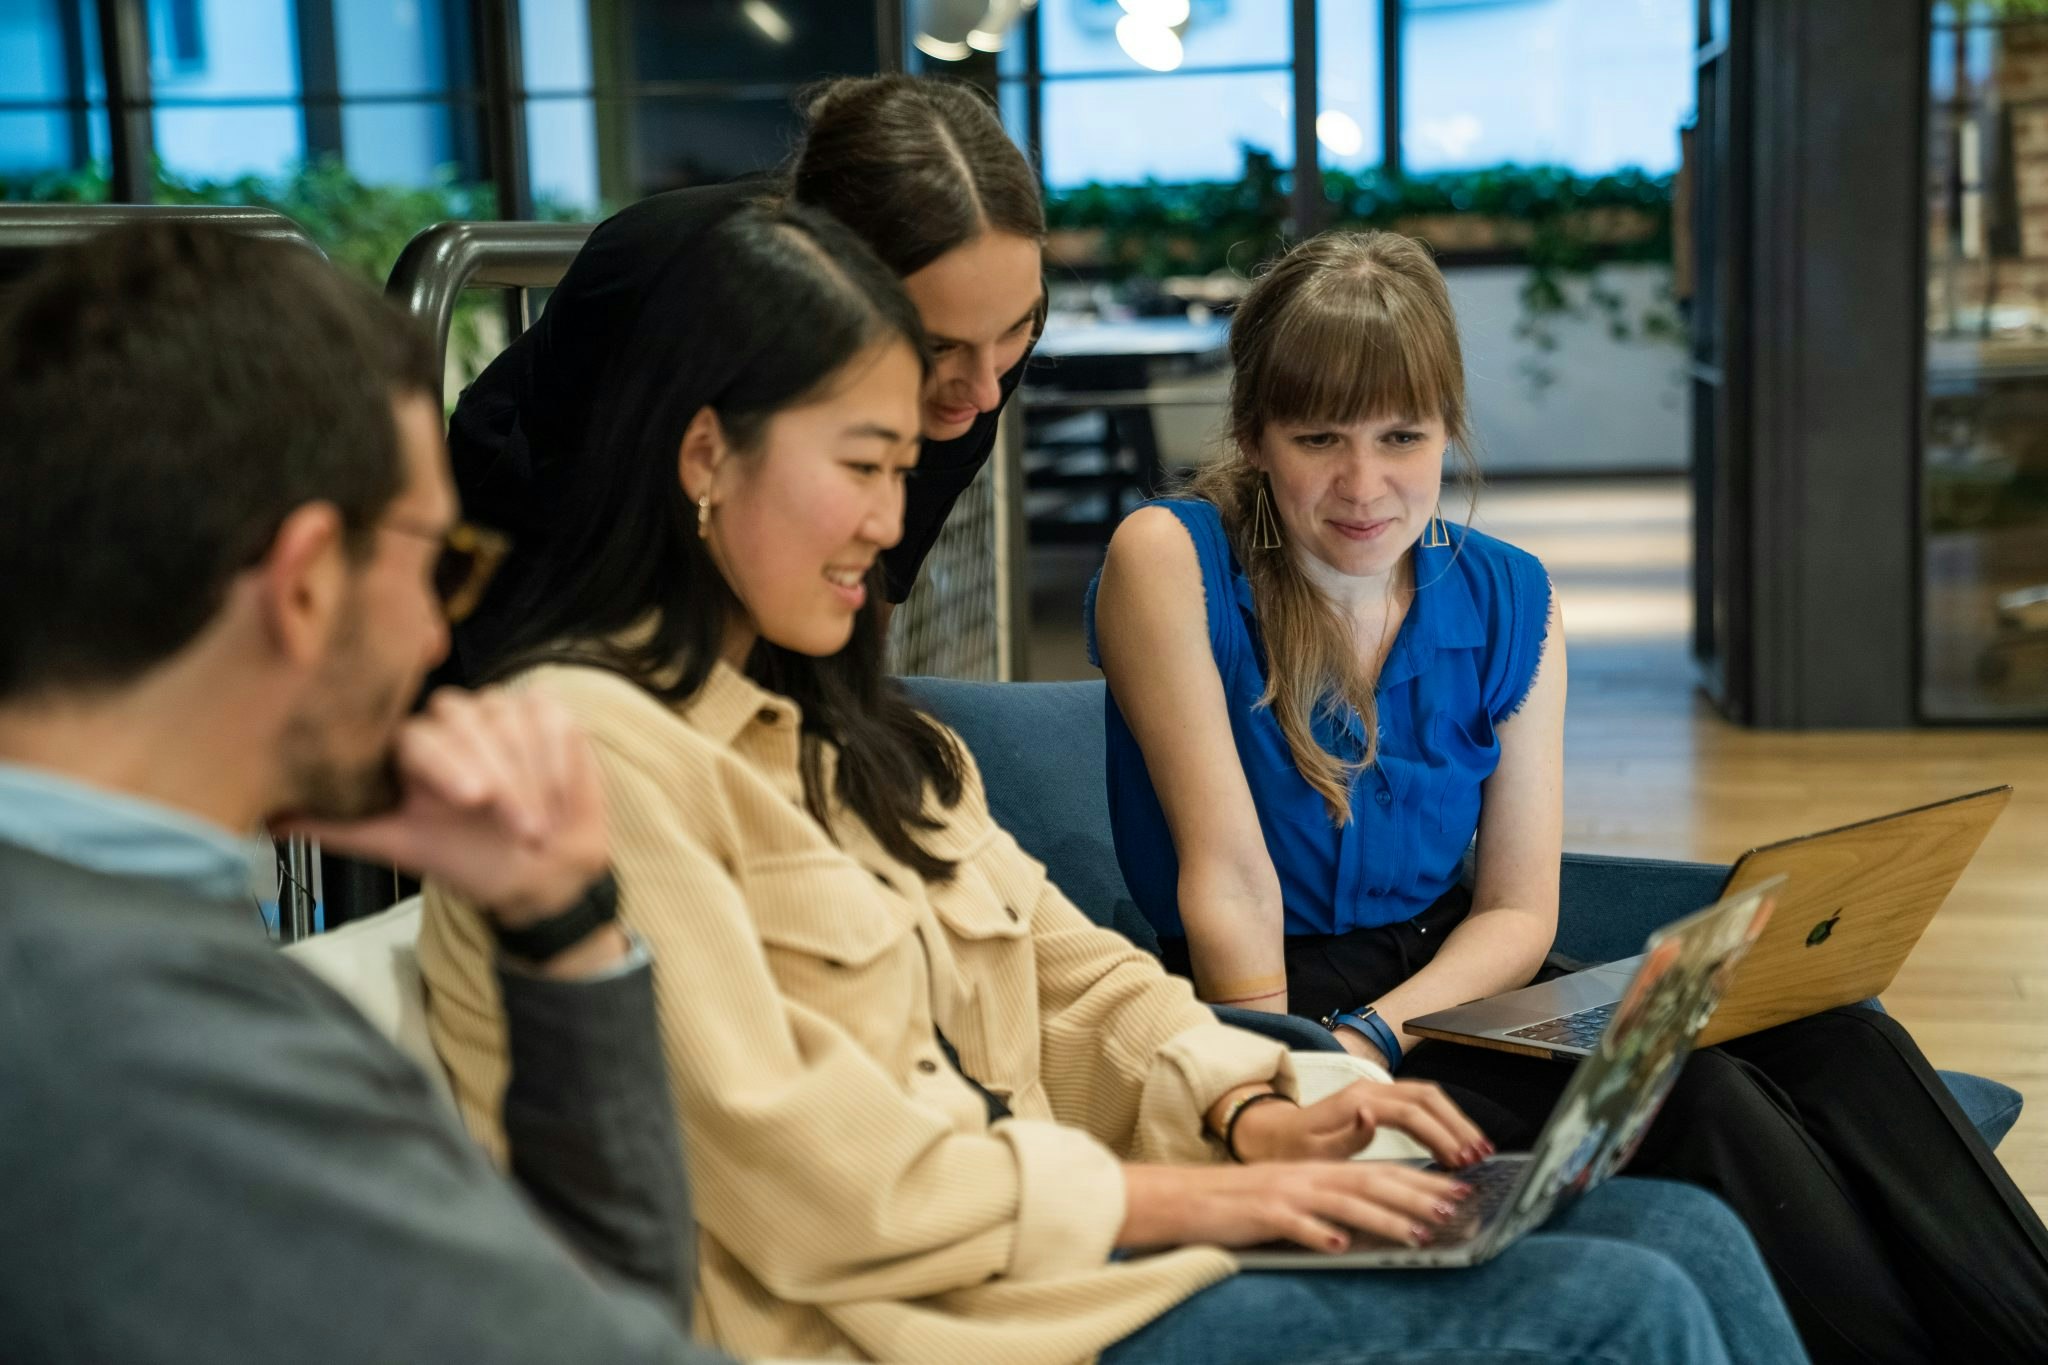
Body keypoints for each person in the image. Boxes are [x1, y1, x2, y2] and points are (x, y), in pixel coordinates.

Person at [415, 199, 1807, 1365]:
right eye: (862, 465)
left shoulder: (870, 744)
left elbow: (1078, 978)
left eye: (908, 469)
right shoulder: (591, 753)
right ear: (705, 453)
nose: (894, 524)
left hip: (1082, 1245)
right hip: (943, 1317)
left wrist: (1255, 1102)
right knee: (1625, 1299)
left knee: (1689, 1227)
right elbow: (822, 1188)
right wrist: (1205, 1192)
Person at [1087, 229, 2048, 1365]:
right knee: (1700, 1098)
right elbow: (1229, 881)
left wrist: (1389, 1025)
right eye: (1316, 440)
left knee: (1837, 1037)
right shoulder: (1171, 556)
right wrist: (1304, 1071)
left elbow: (1514, 913)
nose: (1362, 484)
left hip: (1450, 986)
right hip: (1261, 1008)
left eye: (1402, 436)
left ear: (1447, 427)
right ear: (1252, 436)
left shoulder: (1508, 595)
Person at [0, 221, 742, 1365]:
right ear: (302, 587)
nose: (441, 630)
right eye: (439, 563)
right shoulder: (158, 1040)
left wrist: (554, 925)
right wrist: (579, 933)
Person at [442, 72, 1043, 684]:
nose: (986, 387)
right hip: (539, 536)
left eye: (1014, 330)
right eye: (938, 345)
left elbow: (874, 565)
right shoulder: (659, 272)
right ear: (831, 273)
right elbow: (599, 567)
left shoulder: (980, 331)